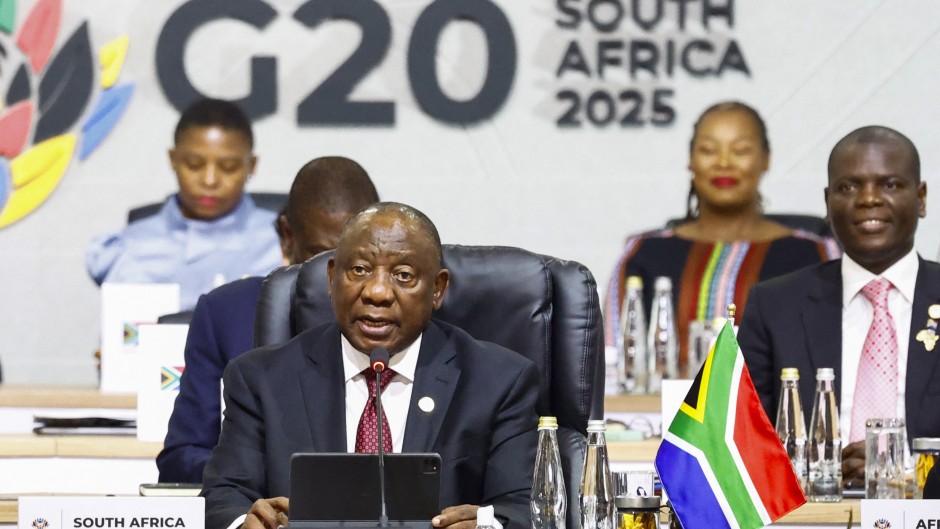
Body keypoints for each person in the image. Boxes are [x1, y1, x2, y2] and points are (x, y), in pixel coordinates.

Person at [200, 203, 539, 529]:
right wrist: (244, 522)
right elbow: (223, 498)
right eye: (359, 270)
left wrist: (485, 525)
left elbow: (524, 508)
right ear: (332, 278)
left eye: (403, 275)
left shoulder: (499, 382)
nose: (377, 292)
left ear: (437, 289)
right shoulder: (261, 380)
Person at [738, 125, 940, 488]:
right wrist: (821, 470)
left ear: (921, 198)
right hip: (813, 515)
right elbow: (743, 443)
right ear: (828, 203)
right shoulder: (774, 305)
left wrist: (905, 468)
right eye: (849, 187)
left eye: (890, 184)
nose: (868, 199)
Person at [156, 156, 379, 483]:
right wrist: (264, 478)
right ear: (288, 236)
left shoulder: (404, 319)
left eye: (358, 263)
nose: (341, 282)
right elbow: (181, 457)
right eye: (324, 260)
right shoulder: (227, 313)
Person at [604, 101, 840, 372]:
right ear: (691, 160)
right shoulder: (643, 253)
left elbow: (828, 354)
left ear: (766, 159)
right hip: (659, 413)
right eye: (708, 150)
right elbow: (615, 362)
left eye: (740, 150)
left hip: (773, 411)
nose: (724, 162)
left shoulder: (813, 254)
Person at [85, 98, 282, 310]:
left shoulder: (284, 245)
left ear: (251, 166)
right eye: (194, 165)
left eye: (228, 167)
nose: (209, 180)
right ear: (173, 159)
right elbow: (120, 337)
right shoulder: (130, 249)